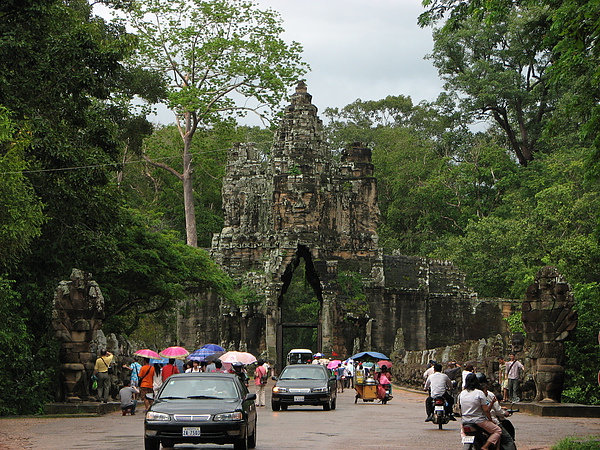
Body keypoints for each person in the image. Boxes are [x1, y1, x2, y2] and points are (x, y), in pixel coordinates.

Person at [459, 373, 502, 450]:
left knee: (463, 432)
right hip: (479, 421)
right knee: (498, 430)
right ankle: (485, 447)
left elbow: (460, 408)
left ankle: (465, 442)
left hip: (465, 421)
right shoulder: (479, 393)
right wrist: (490, 420)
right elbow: (486, 410)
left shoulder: (462, 394)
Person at [480, 374, 517, 450]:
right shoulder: (486, 395)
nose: (486, 392)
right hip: (484, 421)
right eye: (485, 390)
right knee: (506, 438)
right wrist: (503, 413)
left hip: (469, 421)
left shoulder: (466, 394)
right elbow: (490, 411)